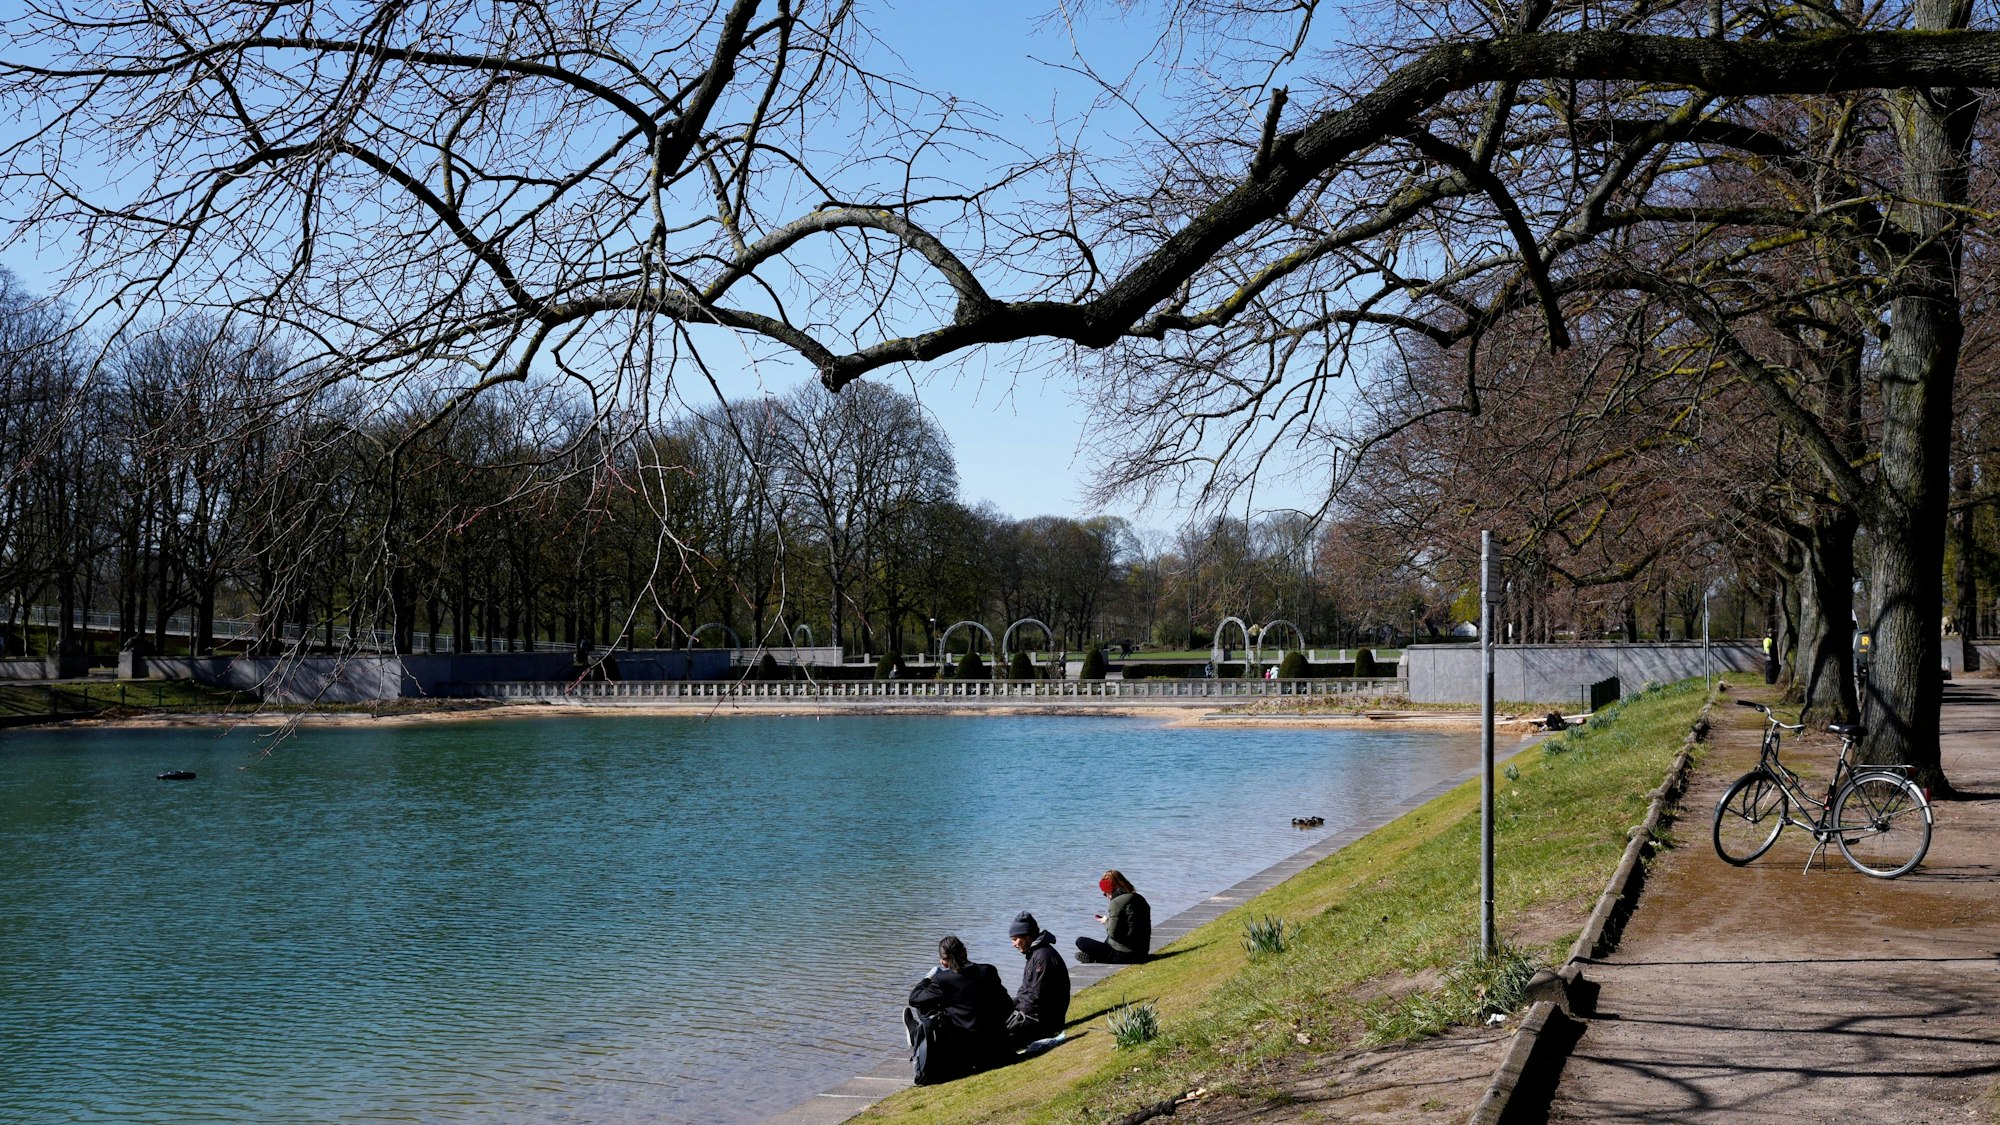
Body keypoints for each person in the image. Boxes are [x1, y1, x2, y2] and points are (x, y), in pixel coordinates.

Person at [905, 935, 1013, 1082]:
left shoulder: (941, 980)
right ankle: (917, 1033)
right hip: (995, 1046)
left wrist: (928, 978)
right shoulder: (988, 971)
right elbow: (1007, 1005)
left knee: (927, 1005)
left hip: (963, 1052)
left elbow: (914, 999)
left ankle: (917, 1033)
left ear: (944, 961)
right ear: (965, 951)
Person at [1004, 911, 1070, 1045]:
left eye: (1015, 939)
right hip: (1036, 1014)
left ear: (1028, 937)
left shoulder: (1043, 957)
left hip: (1045, 1021)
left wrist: (1014, 1015)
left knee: (998, 1037)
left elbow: (1035, 999)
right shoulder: (1034, 954)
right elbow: (1024, 992)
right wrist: (1008, 1007)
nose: (1013, 944)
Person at [1075, 869, 1151, 964]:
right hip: (1142, 952)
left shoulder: (1116, 903)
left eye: (1105, 892)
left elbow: (1113, 934)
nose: (1105, 896)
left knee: (1081, 941)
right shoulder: (1140, 898)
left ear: (1110, 890)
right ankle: (1097, 957)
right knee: (1108, 941)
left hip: (1125, 955)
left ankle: (1095, 958)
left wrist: (1106, 921)